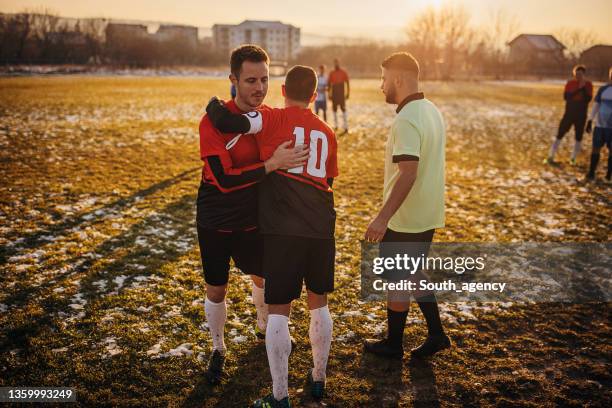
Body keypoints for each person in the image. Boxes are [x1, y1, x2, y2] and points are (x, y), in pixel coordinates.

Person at [206, 65, 338, 408]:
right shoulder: (328, 131)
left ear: (282, 90)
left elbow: (231, 123)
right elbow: (330, 179)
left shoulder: (273, 118)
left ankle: (279, 396)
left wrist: (213, 106)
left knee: (279, 311)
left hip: (284, 229)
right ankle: (319, 378)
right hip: (322, 225)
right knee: (318, 301)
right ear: (314, 96)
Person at [197, 45, 308, 386]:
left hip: (254, 218)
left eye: (264, 79)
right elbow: (226, 180)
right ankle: (218, 348)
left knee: (262, 276)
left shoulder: (268, 118)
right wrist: (271, 165)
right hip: (215, 217)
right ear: (233, 80)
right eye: (250, 80)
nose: (259, 88)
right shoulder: (212, 124)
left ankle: (265, 327)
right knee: (217, 288)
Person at [363, 52, 450, 360]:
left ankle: (393, 344)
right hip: (426, 213)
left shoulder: (407, 118)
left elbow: (409, 173)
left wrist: (382, 218)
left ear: (398, 79)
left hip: (406, 217)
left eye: (383, 78)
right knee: (411, 274)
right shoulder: (430, 109)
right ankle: (437, 335)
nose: (381, 85)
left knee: (399, 277)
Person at [546, 65, 593, 165]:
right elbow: (567, 97)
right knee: (560, 134)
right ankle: (551, 155)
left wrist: (583, 88)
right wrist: (579, 89)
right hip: (569, 113)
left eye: (580, 74)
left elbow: (588, 99)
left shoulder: (588, 85)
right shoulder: (570, 83)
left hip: (581, 114)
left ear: (584, 74)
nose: (578, 76)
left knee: (578, 136)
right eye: (576, 74)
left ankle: (573, 158)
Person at [585, 67, 612, 183]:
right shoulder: (603, 89)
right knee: (596, 149)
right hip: (600, 126)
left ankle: (609, 176)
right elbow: (596, 105)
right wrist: (590, 120)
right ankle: (591, 172)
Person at [328, 58, 350, 133]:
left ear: (339, 63)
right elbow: (329, 85)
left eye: (337, 63)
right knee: (334, 110)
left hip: (341, 93)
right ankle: (336, 125)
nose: (336, 64)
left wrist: (348, 93)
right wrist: (329, 94)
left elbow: (347, 83)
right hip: (334, 93)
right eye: (335, 63)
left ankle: (346, 126)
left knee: (343, 109)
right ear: (334, 64)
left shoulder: (343, 72)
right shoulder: (331, 73)